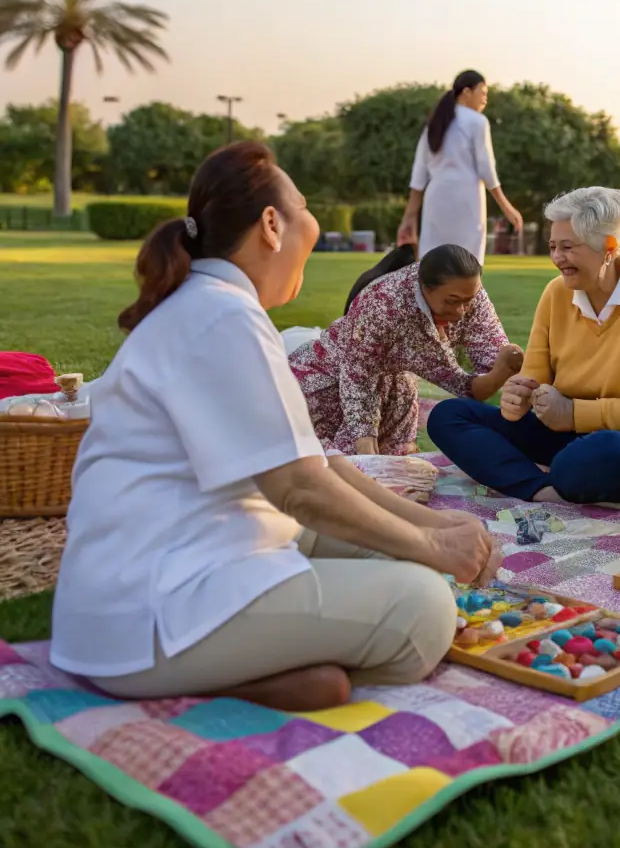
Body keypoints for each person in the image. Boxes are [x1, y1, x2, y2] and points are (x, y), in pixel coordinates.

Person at [51, 143, 500, 712]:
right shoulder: (221, 314)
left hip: (166, 574)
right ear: (271, 224)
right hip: (151, 613)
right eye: (304, 207)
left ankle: (281, 656)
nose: (311, 222)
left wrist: (432, 523)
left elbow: (319, 465)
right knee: (424, 606)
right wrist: (432, 546)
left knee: (386, 552)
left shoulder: (213, 306)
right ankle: (243, 673)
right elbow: (302, 492)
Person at [427, 188, 620, 504]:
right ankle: (541, 489)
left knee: (597, 456)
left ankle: (544, 476)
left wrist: (573, 413)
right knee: (448, 415)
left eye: (567, 248)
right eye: (553, 246)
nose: (557, 258)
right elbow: (534, 380)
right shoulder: (556, 293)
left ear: (609, 248)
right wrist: (518, 396)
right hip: (566, 433)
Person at [290, 243, 524, 456]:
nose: (462, 311)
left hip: (395, 381)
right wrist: (366, 449)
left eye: (469, 300)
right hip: (333, 377)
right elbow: (358, 376)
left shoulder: (470, 295)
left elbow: (492, 359)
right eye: (452, 301)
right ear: (426, 288)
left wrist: (502, 370)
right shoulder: (385, 303)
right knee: (331, 465)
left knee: (394, 465)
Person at [398, 70, 522, 261]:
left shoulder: (434, 123)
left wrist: (409, 217)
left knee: (432, 263)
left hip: (435, 200)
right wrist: (506, 206)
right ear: (466, 92)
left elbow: (419, 173)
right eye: (482, 92)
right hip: (467, 199)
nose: (485, 99)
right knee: (468, 261)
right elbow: (486, 168)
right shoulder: (478, 122)